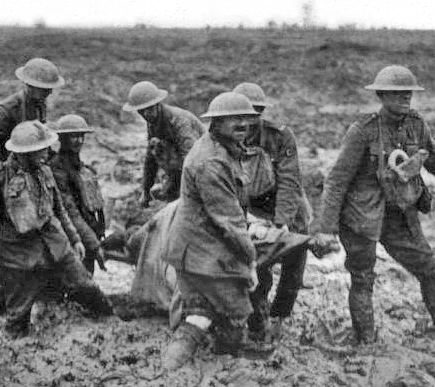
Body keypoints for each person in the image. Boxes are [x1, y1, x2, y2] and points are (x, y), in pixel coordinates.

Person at [313, 65, 435, 347]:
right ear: (381, 96)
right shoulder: (362, 131)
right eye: (397, 93)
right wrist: (327, 229)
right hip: (360, 216)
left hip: (400, 212)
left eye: (408, 93)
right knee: (362, 277)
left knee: (428, 266)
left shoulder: (417, 125)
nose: (405, 98)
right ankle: (365, 342)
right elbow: (336, 181)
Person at [0, 120, 113, 338]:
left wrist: (75, 240)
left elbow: (60, 209)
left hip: (57, 246)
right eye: (40, 150)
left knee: (88, 288)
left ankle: (113, 327)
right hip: (19, 257)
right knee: (17, 320)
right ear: (23, 153)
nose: (46, 152)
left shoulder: (45, 171)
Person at [161, 92, 259, 370]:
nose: (242, 124)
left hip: (194, 248)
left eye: (246, 119)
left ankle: (172, 369)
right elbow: (229, 220)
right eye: (233, 119)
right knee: (237, 313)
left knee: (200, 315)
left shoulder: (222, 149)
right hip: (204, 252)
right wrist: (250, 261)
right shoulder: (212, 162)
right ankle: (228, 365)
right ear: (216, 122)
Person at [233, 82, 314, 342]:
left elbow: (290, 181)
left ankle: (280, 315)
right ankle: (258, 315)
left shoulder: (279, 137)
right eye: (243, 114)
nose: (249, 120)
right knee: (257, 265)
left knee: (293, 264)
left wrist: (282, 222)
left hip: (288, 207)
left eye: (255, 113)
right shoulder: (224, 139)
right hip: (252, 208)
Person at [0, 57, 64, 172]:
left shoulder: (39, 104)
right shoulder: (5, 111)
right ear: (30, 85)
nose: (50, 92)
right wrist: (1, 171)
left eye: (50, 88)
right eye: (45, 89)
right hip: (11, 175)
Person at [122, 81, 205, 206]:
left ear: (157, 105)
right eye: (141, 111)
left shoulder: (179, 121)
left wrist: (186, 195)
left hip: (202, 171)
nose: (145, 115)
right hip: (180, 172)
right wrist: (145, 190)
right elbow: (150, 159)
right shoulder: (153, 122)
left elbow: (192, 161)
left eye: (148, 109)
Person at [48, 115, 106, 274]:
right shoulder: (57, 169)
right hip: (70, 236)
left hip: (86, 232)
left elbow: (93, 208)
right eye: (73, 136)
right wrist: (93, 243)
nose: (79, 140)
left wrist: (98, 234)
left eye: (81, 136)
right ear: (61, 138)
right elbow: (70, 211)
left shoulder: (82, 168)